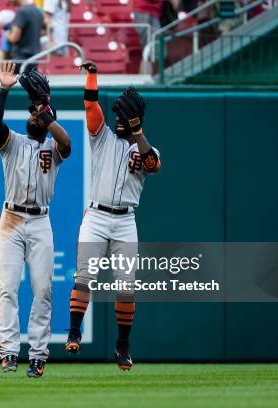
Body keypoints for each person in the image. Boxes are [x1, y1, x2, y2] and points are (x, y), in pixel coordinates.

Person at [66, 61, 161, 370]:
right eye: (119, 115)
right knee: (84, 277)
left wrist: (138, 131)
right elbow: (91, 105)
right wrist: (93, 74)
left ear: (137, 121)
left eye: (125, 117)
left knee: (126, 285)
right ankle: (74, 331)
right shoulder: (102, 137)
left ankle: (122, 344)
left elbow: (152, 166)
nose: (119, 120)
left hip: (125, 220)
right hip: (95, 215)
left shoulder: (149, 149)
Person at [0, 63, 70, 378]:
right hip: (10, 218)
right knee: (8, 288)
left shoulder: (54, 146)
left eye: (37, 114)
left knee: (42, 290)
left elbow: (67, 143)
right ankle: (9, 352)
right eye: (32, 113)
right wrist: (4, 89)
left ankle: (37, 355)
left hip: (40, 223)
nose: (32, 116)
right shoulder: (13, 142)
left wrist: (45, 112)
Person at [6, 0, 43, 72]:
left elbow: (14, 38)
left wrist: (7, 35)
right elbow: (42, 32)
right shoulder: (38, 11)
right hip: (34, 58)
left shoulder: (21, 11)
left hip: (20, 59)